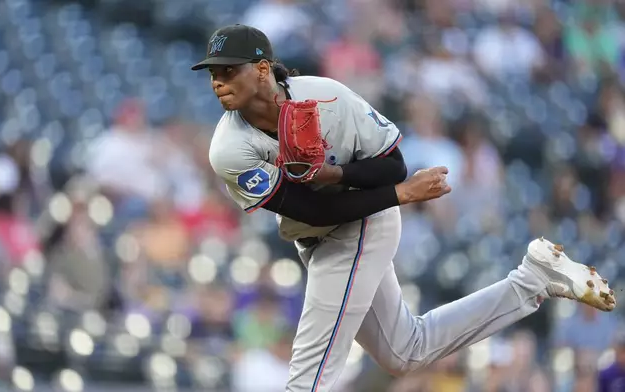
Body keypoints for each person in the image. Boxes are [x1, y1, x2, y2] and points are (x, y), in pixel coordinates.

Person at [192, 24, 616, 392]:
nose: (217, 80)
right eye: (213, 72)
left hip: (363, 226)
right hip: (321, 230)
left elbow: (393, 165)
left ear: (263, 68)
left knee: (307, 378)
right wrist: (399, 193)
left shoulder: (329, 96)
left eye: (228, 69)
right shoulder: (229, 148)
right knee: (405, 351)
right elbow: (312, 210)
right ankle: (532, 281)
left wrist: (342, 176)